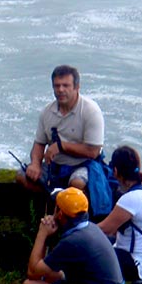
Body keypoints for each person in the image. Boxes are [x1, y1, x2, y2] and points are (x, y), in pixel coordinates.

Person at [21, 188, 134, 284]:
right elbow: (49, 271)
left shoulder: (73, 241)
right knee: (53, 276)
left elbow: (33, 272)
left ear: (60, 214)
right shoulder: (90, 229)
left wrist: (42, 234)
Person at [16, 65, 114, 218]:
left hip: (82, 164)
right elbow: (39, 143)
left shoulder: (90, 111)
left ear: (77, 87)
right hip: (55, 166)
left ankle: (76, 214)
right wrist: (35, 163)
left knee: (77, 183)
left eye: (66, 85)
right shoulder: (47, 112)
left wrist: (61, 147)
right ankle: (55, 199)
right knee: (22, 177)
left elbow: (93, 151)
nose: (60, 90)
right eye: (57, 86)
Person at [97, 146, 142, 283]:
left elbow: (104, 229)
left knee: (93, 254)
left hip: (141, 266)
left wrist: (75, 229)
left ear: (115, 171)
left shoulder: (131, 199)